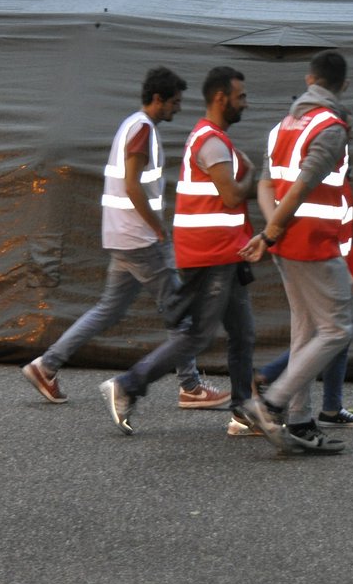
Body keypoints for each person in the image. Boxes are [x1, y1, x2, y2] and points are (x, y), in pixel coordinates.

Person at [22, 66, 228, 411]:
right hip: (141, 239)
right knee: (181, 315)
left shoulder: (130, 125)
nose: (177, 109)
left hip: (121, 236)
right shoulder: (142, 131)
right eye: (174, 102)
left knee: (107, 309)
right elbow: (133, 185)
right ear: (158, 99)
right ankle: (190, 387)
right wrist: (158, 228)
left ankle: (46, 365)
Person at [98, 67, 259, 434]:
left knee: (242, 333)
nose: (245, 104)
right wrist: (254, 177)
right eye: (241, 97)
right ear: (222, 98)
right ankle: (128, 385)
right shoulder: (209, 141)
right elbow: (232, 195)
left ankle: (242, 411)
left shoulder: (209, 139)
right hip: (208, 253)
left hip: (223, 253)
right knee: (197, 333)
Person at [233, 50, 353, 457]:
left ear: (309, 81)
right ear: (342, 85)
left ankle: (301, 422)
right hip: (314, 243)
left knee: (305, 331)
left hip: (287, 242)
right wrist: (272, 233)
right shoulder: (330, 126)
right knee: (338, 330)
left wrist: (273, 231)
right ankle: (271, 404)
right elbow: (303, 186)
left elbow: (267, 184)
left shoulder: (282, 126)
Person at [235, 181, 353, 435]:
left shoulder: (328, 182)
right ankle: (274, 393)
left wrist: (269, 234)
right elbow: (336, 231)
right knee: (333, 334)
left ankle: (320, 406)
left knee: (323, 334)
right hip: (327, 262)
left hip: (323, 259)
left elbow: (266, 184)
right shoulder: (330, 183)